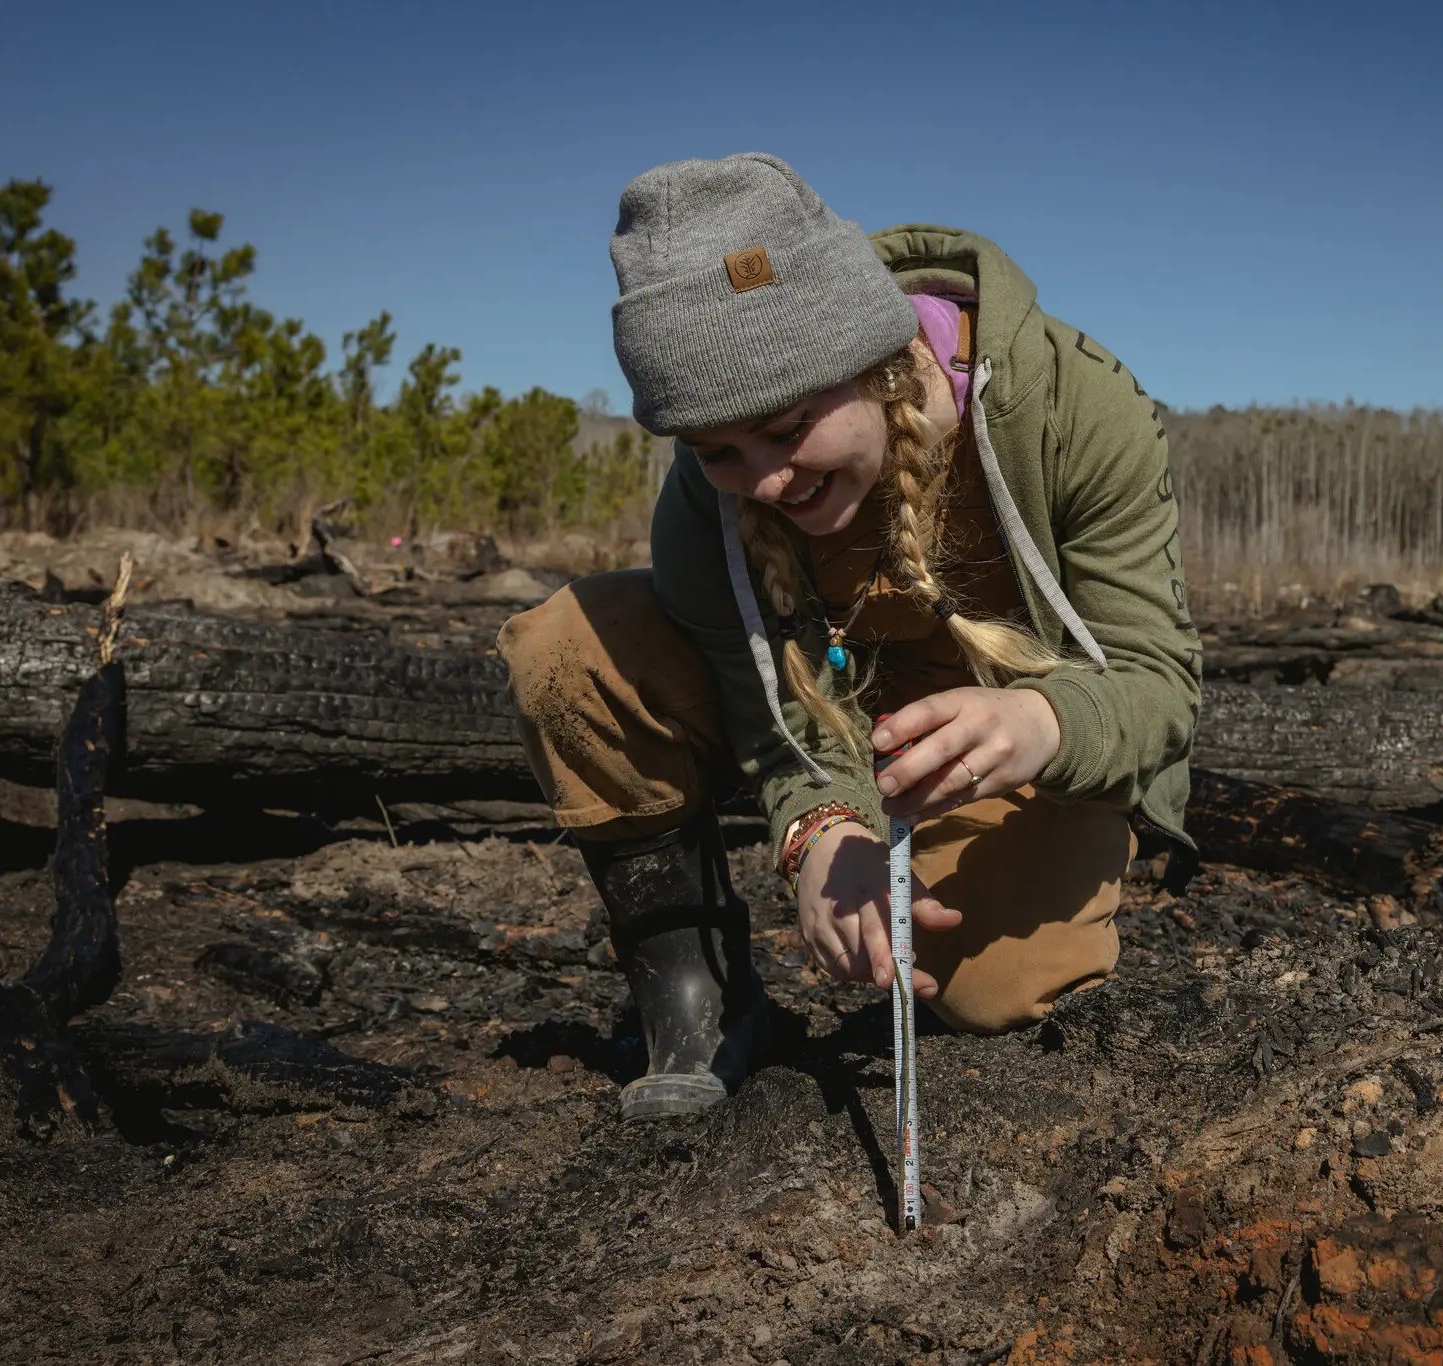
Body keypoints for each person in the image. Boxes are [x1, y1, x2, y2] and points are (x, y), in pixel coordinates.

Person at [498, 153, 1202, 1120]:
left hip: (1030, 749)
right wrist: (819, 829)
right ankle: (698, 999)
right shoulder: (710, 499)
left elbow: (1162, 684)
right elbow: (765, 712)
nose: (765, 481)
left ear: (876, 360)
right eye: (718, 452)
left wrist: (1044, 722)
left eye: (788, 430)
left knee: (997, 991)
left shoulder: (1075, 407)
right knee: (568, 648)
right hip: (849, 737)